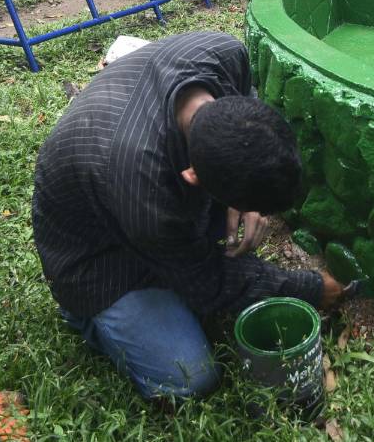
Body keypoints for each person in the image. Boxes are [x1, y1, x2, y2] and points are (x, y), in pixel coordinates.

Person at [32, 31, 343, 403]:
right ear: (192, 176)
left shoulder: (224, 54)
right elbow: (207, 280)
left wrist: (246, 196)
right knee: (190, 379)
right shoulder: (144, 187)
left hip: (134, 190)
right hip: (97, 258)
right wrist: (312, 288)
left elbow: (247, 111)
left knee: (196, 254)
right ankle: (86, 318)